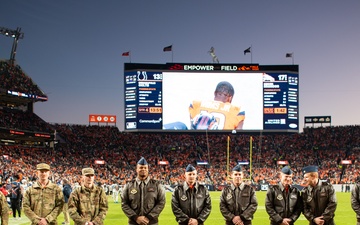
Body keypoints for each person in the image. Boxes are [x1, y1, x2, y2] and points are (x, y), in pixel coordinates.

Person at [122, 157, 166, 225]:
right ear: (136, 169)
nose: (143, 169)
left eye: (145, 168)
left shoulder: (156, 185)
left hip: (152, 222)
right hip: (134, 222)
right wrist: (136, 218)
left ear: (148, 169)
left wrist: (149, 217)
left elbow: (161, 202)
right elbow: (124, 203)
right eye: (141, 167)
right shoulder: (129, 185)